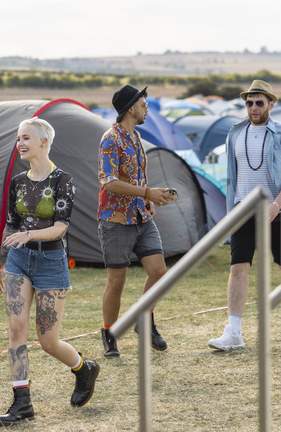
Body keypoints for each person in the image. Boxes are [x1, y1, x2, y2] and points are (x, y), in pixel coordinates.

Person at [0, 117, 100, 427]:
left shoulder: (63, 180)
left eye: (26, 138)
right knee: (16, 329)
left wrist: (30, 235)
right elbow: (12, 224)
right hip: (18, 261)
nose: (20, 144)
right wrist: (2, 260)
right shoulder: (17, 181)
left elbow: (60, 229)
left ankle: (83, 369)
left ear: (44, 142)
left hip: (51, 262)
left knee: (48, 341)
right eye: (17, 139)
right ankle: (22, 404)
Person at [97, 84, 177, 357]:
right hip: (115, 220)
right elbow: (109, 183)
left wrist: (150, 198)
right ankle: (109, 332)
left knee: (159, 272)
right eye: (143, 105)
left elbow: (137, 178)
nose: (147, 109)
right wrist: (147, 193)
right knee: (116, 282)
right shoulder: (110, 139)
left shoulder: (136, 136)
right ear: (131, 108)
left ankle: (144, 319)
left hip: (141, 216)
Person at [208, 80, 281, 351]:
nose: (253, 107)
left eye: (259, 102)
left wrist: (277, 204)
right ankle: (234, 332)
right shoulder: (235, 133)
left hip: (276, 210)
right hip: (242, 208)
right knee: (238, 268)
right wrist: (231, 211)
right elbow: (232, 175)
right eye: (249, 103)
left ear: (271, 104)